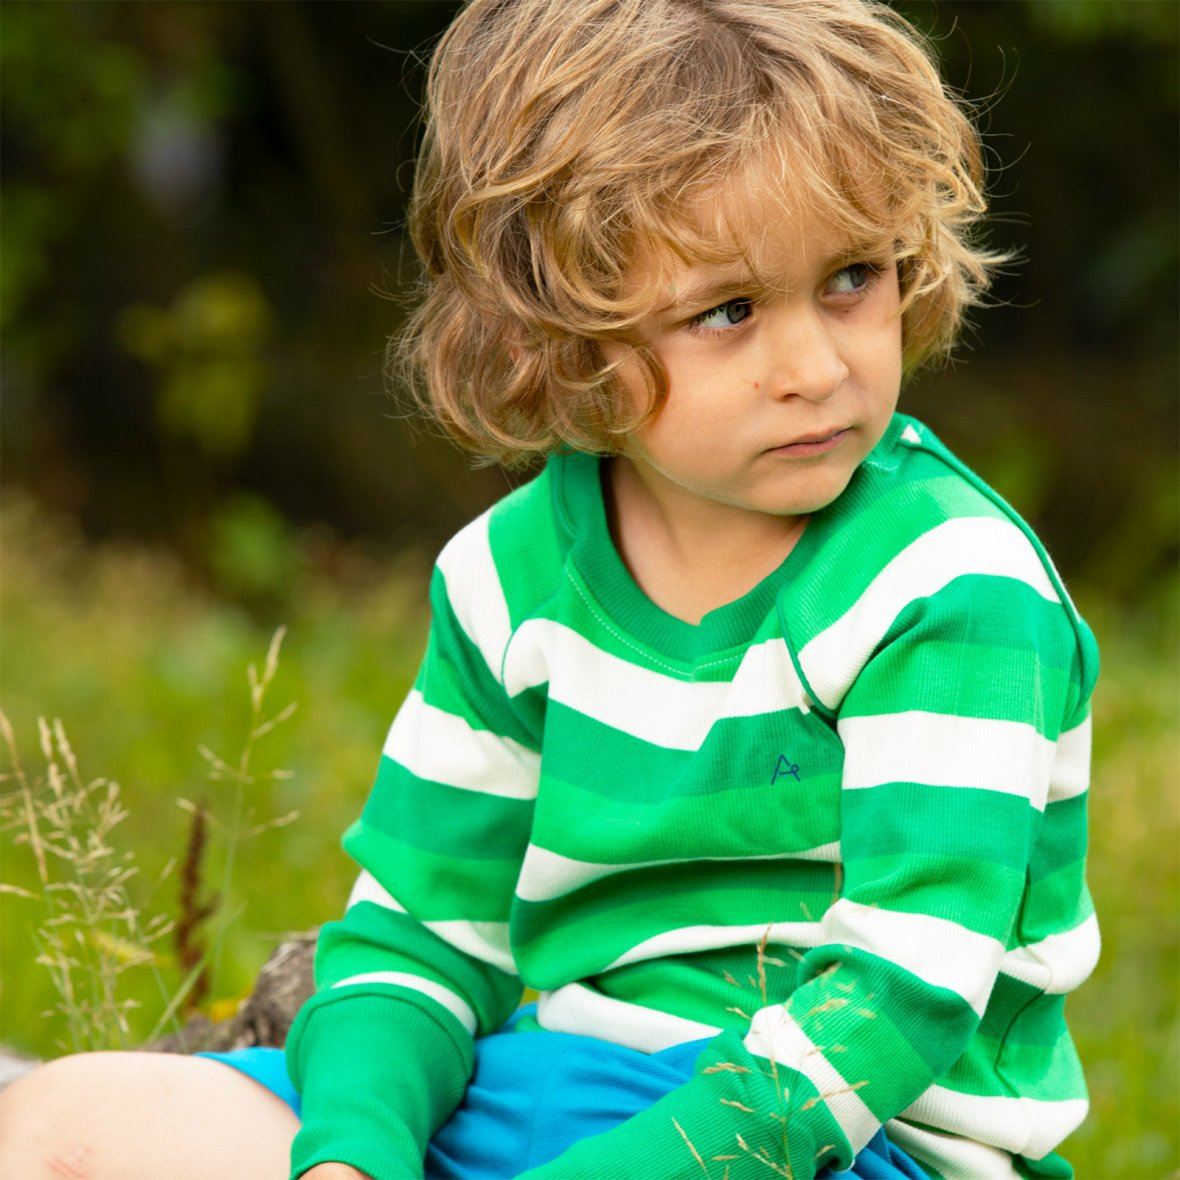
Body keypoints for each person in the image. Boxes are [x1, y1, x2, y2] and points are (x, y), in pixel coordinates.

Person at [0, 1, 1101, 1178]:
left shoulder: (946, 583)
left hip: (847, 1139)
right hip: (560, 1091)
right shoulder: (508, 578)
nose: (817, 369)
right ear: (562, 331)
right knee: (64, 1123)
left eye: (850, 279)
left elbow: (897, 1002)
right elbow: (419, 934)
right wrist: (350, 1156)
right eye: (727, 311)